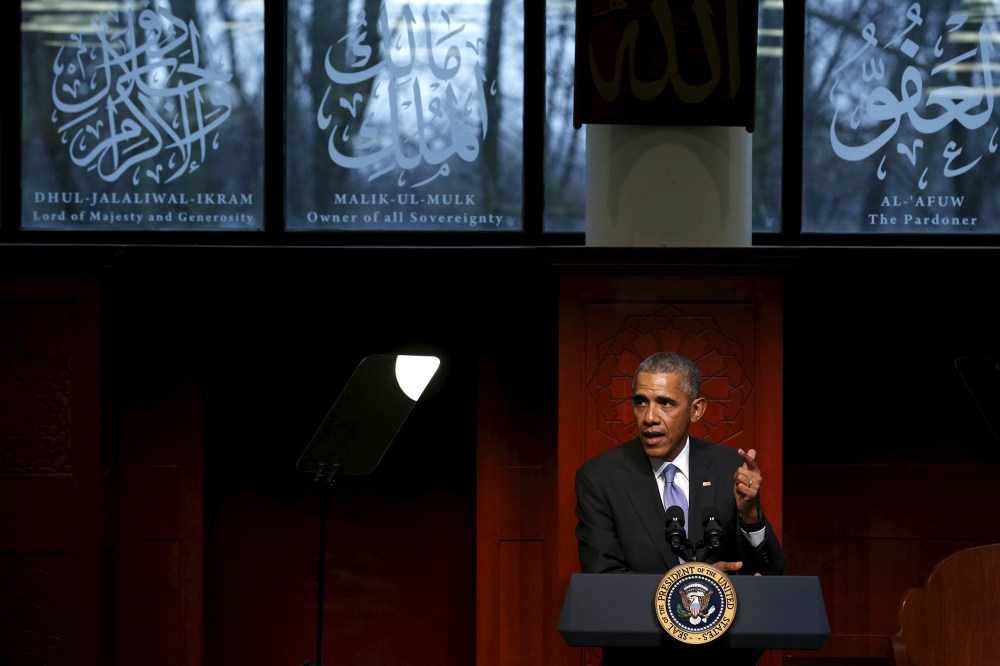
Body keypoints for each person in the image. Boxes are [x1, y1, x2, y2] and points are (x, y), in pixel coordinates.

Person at [574, 351, 785, 664]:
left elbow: (769, 573)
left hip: (722, 655)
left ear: (696, 410)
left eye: (666, 403)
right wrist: (695, 583)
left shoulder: (729, 468)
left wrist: (751, 515)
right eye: (640, 401)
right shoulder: (600, 477)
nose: (649, 417)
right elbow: (605, 581)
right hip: (640, 656)